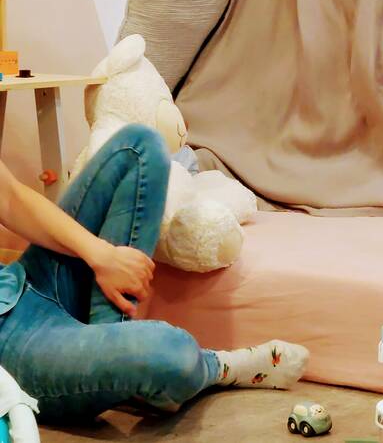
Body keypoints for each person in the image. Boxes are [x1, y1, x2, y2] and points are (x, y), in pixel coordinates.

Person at [0, 124, 308, 424]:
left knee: (139, 146)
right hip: (13, 346)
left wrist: (102, 255)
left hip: (23, 282)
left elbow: (10, 199)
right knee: (171, 354)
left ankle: (114, 352)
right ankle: (217, 368)